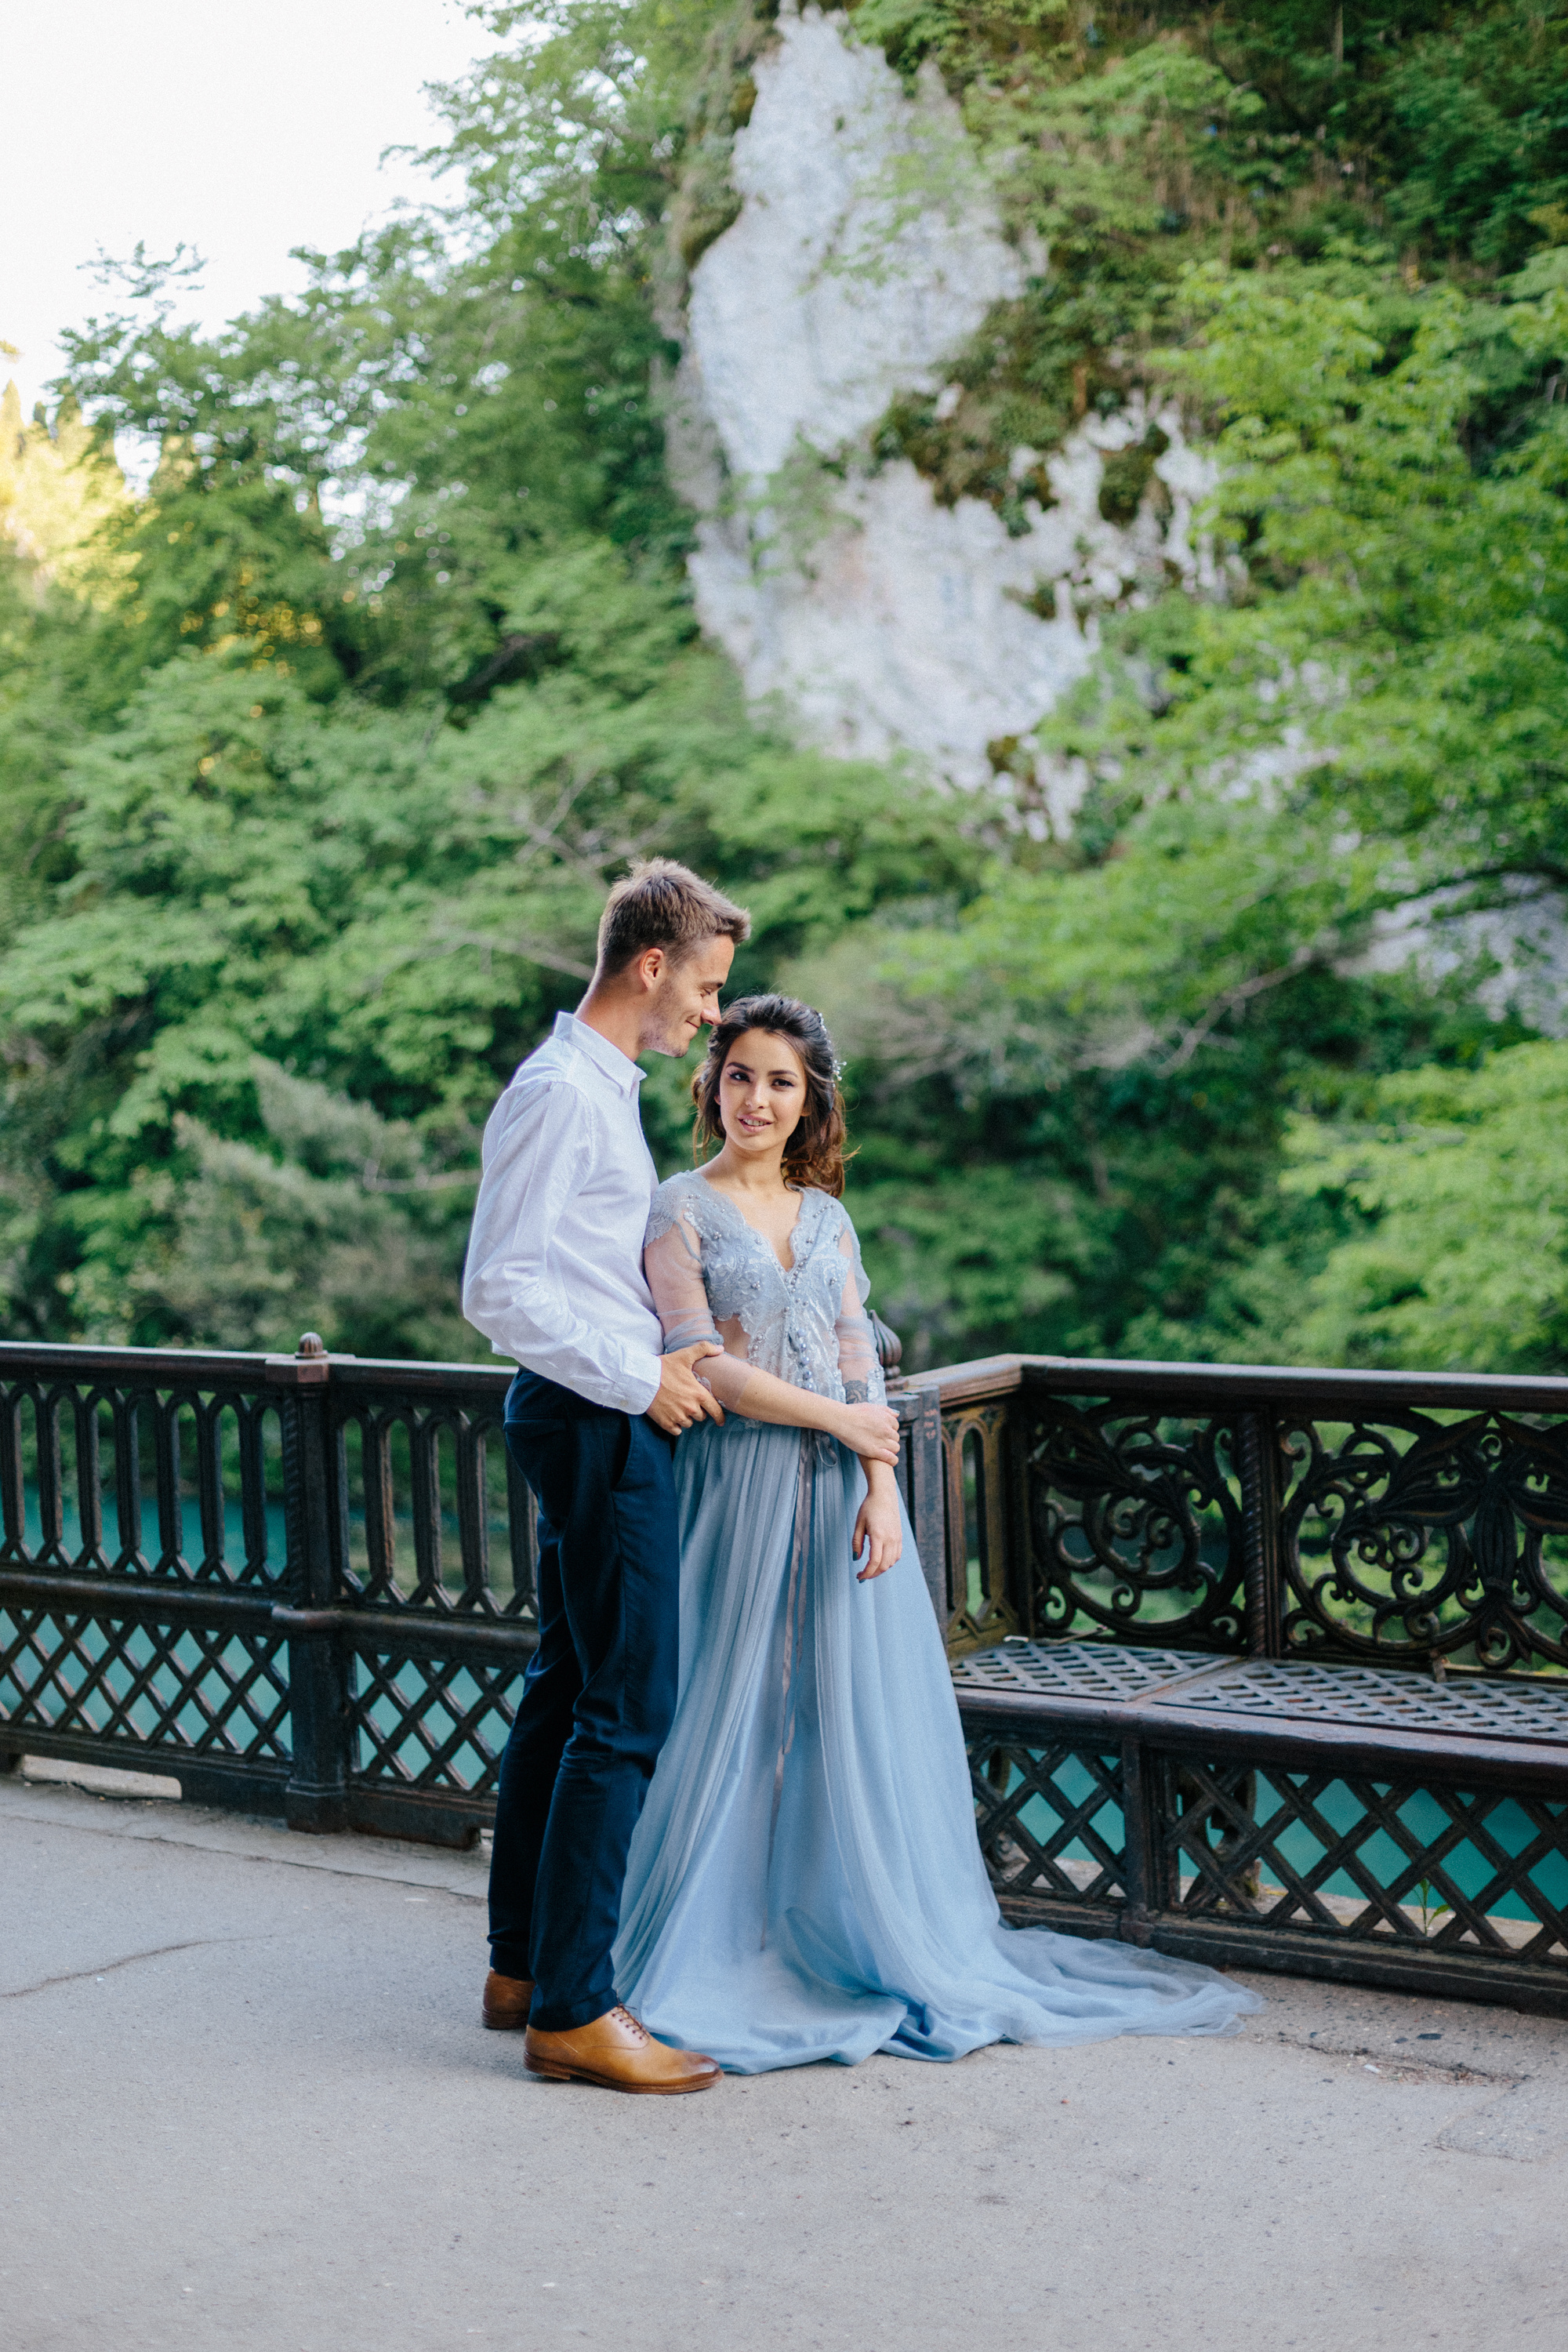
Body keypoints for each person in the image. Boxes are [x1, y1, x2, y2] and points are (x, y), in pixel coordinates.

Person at [613, 993, 1264, 2070]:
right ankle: (711, 1939)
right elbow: (702, 1364)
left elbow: (858, 1353)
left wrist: (879, 1485)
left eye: (780, 1082)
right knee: (729, 1703)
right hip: (736, 1484)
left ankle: (851, 1925)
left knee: (843, 1710)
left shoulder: (827, 1216)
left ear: (810, 1098)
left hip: (840, 1494)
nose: (756, 1100)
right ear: (710, 1084)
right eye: (738, 1076)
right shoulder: (677, 1209)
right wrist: (841, 1421)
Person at [461, 858, 750, 2093]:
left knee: (569, 1680)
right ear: (650, 967)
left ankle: (523, 1966)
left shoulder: (601, 1088)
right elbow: (500, 1287)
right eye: (706, 987)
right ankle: (577, 2009)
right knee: (626, 1707)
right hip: (594, 1418)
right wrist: (644, 1381)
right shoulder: (561, 1096)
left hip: (590, 1411)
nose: (711, 1014)